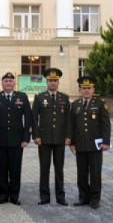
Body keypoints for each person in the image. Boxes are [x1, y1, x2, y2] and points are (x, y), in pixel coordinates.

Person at [0, 72, 32, 206]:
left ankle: (14, 196)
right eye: (5, 81)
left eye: (10, 81)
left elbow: (28, 119)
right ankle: (2, 195)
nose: (8, 83)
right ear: (2, 84)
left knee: (15, 169)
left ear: (14, 83)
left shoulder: (22, 97)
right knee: (0, 169)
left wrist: (26, 138)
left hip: (16, 140)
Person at [68, 75, 111, 209]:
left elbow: (105, 124)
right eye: (83, 88)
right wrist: (72, 143)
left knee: (95, 173)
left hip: (95, 145)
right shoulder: (75, 105)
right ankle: (83, 197)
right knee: (81, 173)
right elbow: (71, 125)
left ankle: (95, 199)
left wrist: (106, 142)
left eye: (89, 88)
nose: (86, 91)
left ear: (93, 89)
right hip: (80, 145)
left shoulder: (100, 104)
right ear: (80, 90)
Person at [32, 68, 71, 206]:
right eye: (50, 81)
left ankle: (60, 197)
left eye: (55, 81)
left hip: (60, 139)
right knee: (44, 168)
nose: (52, 83)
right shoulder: (40, 97)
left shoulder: (64, 98)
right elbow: (34, 118)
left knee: (59, 169)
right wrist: (36, 136)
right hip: (44, 139)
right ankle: (44, 196)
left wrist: (68, 136)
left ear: (58, 82)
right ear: (46, 82)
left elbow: (68, 119)